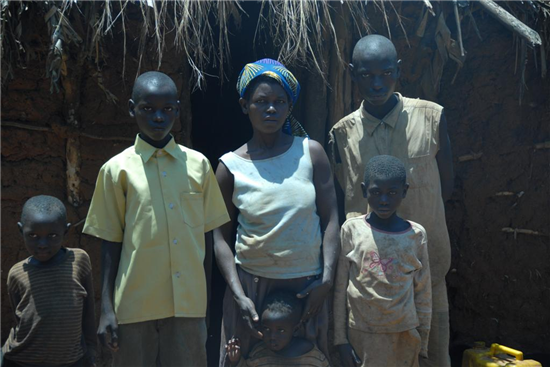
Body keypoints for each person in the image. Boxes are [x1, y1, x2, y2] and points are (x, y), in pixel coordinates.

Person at [83, 71, 230, 367]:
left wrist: (206, 305)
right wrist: (107, 308)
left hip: (188, 307)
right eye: (148, 109)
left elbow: (208, 238)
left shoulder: (199, 166)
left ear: (178, 109)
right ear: (131, 108)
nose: (158, 117)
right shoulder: (116, 171)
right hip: (134, 307)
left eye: (167, 109)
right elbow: (110, 243)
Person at [328, 34, 454, 367]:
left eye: (385, 72)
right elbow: (347, 198)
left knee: (430, 356)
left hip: (426, 277)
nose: (377, 82)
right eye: (366, 74)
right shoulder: (342, 135)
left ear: (398, 71)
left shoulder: (431, 120)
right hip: (367, 287)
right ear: (352, 74)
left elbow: (449, 187)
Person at [214, 58, 339, 366]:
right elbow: (219, 237)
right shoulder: (230, 166)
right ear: (245, 105)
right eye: (261, 102)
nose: (270, 109)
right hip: (251, 290)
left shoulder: (311, 153)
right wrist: (238, 294)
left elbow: (333, 219)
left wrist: (326, 278)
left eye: (279, 102)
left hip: (307, 287)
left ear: (289, 106)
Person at [334, 155, 431, 367]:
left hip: (403, 336)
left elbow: (423, 293)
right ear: (363, 190)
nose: (384, 200)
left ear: (404, 191)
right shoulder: (351, 230)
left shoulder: (415, 235)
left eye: (392, 193)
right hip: (361, 334)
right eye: (376, 192)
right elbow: (340, 288)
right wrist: (340, 341)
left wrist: (422, 347)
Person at [2, 195, 96, 367]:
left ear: (66, 231)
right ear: (21, 231)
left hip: (71, 360)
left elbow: (89, 310)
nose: (43, 244)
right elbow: (20, 317)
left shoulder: (79, 261)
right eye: (33, 235)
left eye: (52, 235)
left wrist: (92, 347)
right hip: (22, 360)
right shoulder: (17, 273)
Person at [225, 290, 330, 367]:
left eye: (281, 330)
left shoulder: (313, 357)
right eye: (266, 329)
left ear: (296, 329)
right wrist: (236, 361)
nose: (272, 337)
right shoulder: (260, 353)